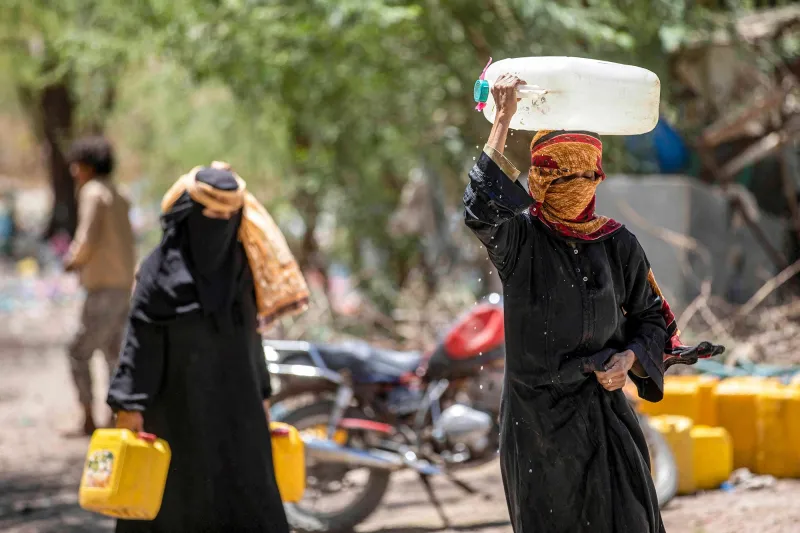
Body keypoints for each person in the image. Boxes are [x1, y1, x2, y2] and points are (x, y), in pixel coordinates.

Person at [464, 74, 722, 533]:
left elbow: (650, 319)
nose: (576, 184)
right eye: (562, 175)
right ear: (539, 178)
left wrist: (628, 358)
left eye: (586, 175)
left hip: (605, 418)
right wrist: (502, 119)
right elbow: (481, 210)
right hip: (538, 430)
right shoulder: (520, 240)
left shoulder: (617, 243)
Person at [107, 162, 309, 533]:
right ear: (188, 215)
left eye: (228, 216)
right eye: (210, 215)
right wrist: (128, 406)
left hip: (239, 415)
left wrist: (264, 400)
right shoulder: (157, 273)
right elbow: (140, 345)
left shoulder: (240, 270)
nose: (218, 225)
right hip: (176, 415)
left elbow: (252, 341)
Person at [64, 136, 135, 436]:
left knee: (78, 352)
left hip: (103, 288)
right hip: (123, 286)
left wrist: (71, 260)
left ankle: (88, 417)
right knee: (114, 354)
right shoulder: (119, 194)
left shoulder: (92, 193)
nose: (73, 171)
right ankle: (115, 416)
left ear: (88, 166)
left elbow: (87, 238)